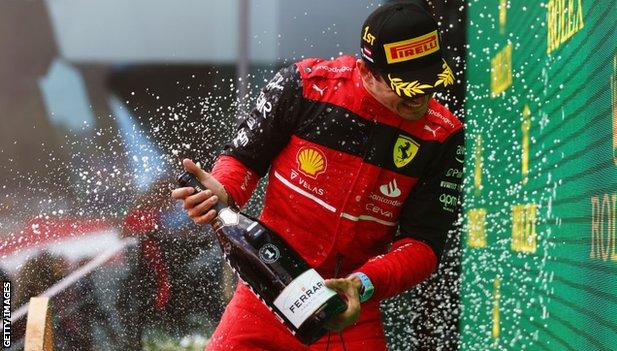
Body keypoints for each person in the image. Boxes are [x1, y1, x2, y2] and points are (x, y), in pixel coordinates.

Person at [172, 1, 464, 350]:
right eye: (407, 89)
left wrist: (363, 283)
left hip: (349, 309)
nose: (422, 100)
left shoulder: (443, 134)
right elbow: (243, 161)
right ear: (368, 71)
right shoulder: (305, 87)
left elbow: (423, 245)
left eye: (430, 84)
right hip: (265, 297)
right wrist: (223, 192)